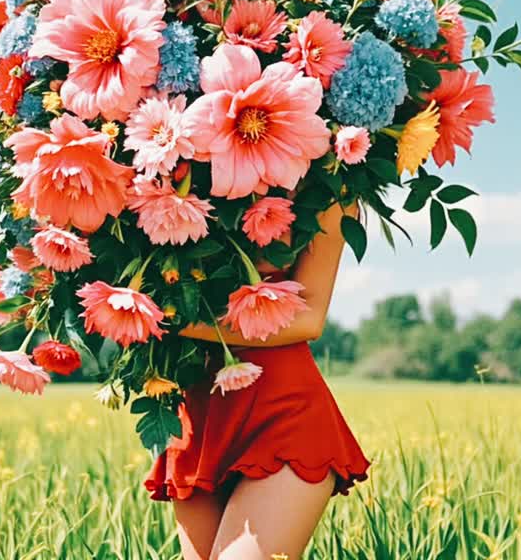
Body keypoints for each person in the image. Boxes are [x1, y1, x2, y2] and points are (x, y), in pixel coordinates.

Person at [144, 202, 369, 560]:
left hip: (283, 414)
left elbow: (309, 319)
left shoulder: (330, 188)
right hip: (198, 416)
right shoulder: (170, 175)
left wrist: (177, 324)